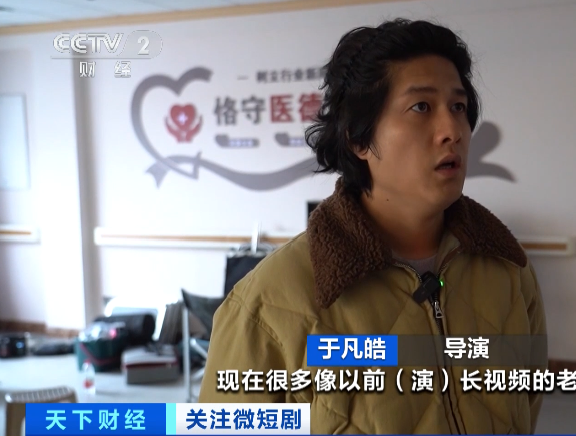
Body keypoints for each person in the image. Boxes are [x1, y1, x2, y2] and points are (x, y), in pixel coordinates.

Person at [200, 18, 548, 434]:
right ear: (358, 139)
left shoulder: (509, 271)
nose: (452, 131)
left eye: (458, 107)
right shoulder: (268, 303)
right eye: (421, 107)